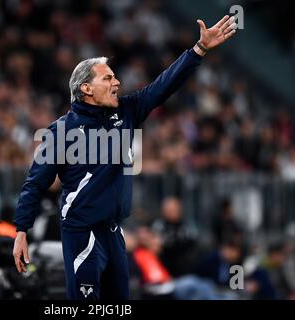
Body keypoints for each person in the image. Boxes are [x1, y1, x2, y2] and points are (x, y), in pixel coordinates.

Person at [13, 15, 237, 300]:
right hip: (82, 233)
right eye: (108, 77)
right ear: (86, 89)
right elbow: (35, 183)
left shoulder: (126, 112)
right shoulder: (60, 131)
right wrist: (21, 230)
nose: (117, 82)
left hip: (114, 232)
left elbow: (163, 86)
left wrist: (198, 51)